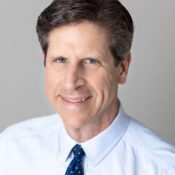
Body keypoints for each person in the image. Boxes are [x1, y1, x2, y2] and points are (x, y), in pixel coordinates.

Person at [0, 0, 175, 174]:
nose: (71, 83)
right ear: (45, 61)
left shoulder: (163, 168)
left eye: (91, 61)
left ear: (122, 68)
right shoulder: (10, 150)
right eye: (61, 60)